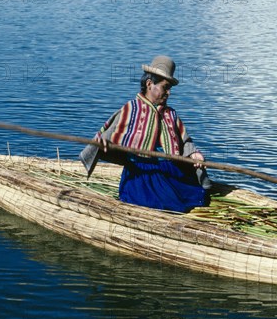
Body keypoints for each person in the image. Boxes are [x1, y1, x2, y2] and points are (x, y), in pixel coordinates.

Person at [79, 56, 210, 213]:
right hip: (141, 174)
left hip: (169, 170)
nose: (168, 93)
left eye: (170, 89)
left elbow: (185, 141)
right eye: (165, 87)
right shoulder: (130, 110)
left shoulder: (170, 114)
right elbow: (105, 137)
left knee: (196, 196)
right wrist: (104, 145)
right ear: (149, 84)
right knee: (166, 204)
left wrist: (194, 153)